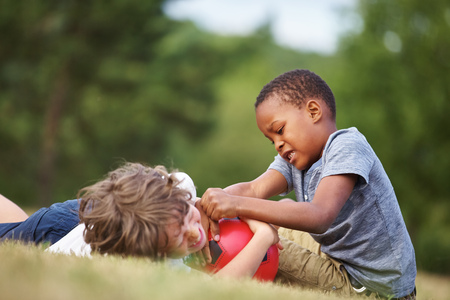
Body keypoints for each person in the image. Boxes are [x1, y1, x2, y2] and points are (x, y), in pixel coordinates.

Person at [199, 69, 417, 299]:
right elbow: (254, 189)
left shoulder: (348, 146)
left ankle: (204, 272)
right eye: (272, 140)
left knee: (258, 244)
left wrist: (235, 205)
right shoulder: (295, 158)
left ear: (313, 112)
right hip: (339, 260)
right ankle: (183, 241)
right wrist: (209, 206)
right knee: (257, 223)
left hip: (370, 287)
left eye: (280, 131)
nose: (278, 145)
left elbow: (319, 215)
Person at [0, 162, 278, 279]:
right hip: (54, 232)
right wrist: (263, 236)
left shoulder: (172, 190)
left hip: (100, 214)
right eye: (181, 237)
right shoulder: (153, 262)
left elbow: (181, 185)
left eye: (186, 216)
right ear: (155, 253)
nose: (194, 235)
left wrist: (199, 208)